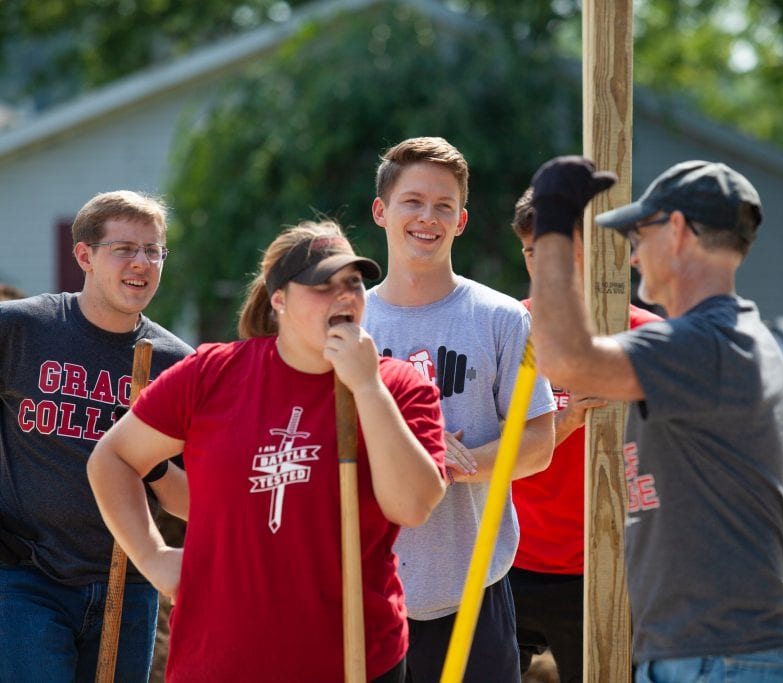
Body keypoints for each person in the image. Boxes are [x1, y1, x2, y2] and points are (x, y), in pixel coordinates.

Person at [87, 220, 448, 682]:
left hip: (354, 661)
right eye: (323, 285)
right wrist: (154, 556)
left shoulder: (399, 386)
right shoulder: (211, 374)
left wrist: (366, 386)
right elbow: (112, 459)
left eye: (353, 283)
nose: (343, 296)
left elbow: (413, 505)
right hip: (218, 659)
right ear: (279, 300)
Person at [526, 157, 783, 683]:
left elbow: (564, 361)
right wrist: (776, 599)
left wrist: (554, 226)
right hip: (730, 653)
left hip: (719, 661)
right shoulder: (745, 338)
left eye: (638, 234)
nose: (631, 255)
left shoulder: (702, 344)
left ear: (676, 230)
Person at [363, 136, 556, 682]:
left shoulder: (502, 319)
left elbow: (537, 447)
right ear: (381, 211)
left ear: (462, 220)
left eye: (444, 206)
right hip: (366, 591)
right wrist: (404, 460)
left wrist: (449, 463)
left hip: (475, 591)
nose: (428, 218)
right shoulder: (348, 323)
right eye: (413, 202)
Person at [0, 190, 193, 682]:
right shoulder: (22, 329)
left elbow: (195, 502)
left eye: (154, 250)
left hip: (126, 582)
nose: (142, 262)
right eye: (124, 248)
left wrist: (143, 461)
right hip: (25, 576)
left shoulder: (178, 365)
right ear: (84, 255)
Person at [508, 186, 661, 683]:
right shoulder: (508, 327)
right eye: (532, 253)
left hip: (603, 569)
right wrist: (567, 418)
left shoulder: (645, 337)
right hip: (508, 562)